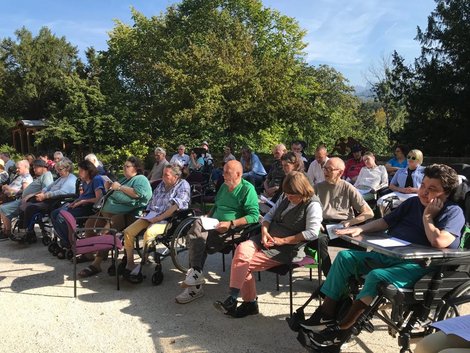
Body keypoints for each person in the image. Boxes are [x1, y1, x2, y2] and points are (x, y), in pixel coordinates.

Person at [300, 164, 465, 350]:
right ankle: (326, 314)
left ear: (446, 193)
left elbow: (439, 241)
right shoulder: (412, 203)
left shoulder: (453, 212)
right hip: (392, 255)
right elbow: (385, 221)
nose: (424, 192)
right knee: (345, 257)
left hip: (420, 267)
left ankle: (343, 330)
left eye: (432, 189)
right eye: (423, 186)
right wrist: (360, 228)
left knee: (377, 276)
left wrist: (428, 216)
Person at [214, 171, 322, 318]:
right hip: (267, 238)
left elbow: (312, 233)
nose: (289, 198)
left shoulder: (312, 204)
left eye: (292, 196)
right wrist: (264, 231)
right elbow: (269, 215)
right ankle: (236, 300)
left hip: (286, 248)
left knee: (243, 264)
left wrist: (283, 241)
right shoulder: (285, 196)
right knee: (242, 249)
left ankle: (246, 302)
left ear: (302, 191)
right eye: (287, 195)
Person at [175, 160, 259, 304]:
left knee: (197, 241)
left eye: (227, 172)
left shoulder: (247, 189)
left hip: (232, 230)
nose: (223, 175)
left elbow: (254, 216)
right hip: (213, 225)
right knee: (197, 226)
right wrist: (208, 215)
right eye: (223, 171)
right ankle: (196, 276)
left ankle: (195, 283)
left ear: (238, 174)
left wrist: (230, 223)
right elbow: (216, 206)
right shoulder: (224, 187)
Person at [78, 156, 152, 278]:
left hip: (126, 215)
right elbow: (116, 193)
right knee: (89, 225)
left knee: (106, 232)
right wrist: (109, 188)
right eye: (124, 166)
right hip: (108, 211)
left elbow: (140, 194)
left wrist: (119, 188)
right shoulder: (124, 179)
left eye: (127, 166)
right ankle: (90, 253)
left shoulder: (140, 179)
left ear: (136, 168)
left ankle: (96, 263)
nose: (124, 168)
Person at [121, 164, 190, 282]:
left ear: (176, 176)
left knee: (149, 233)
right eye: (163, 174)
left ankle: (142, 265)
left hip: (168, 219)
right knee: (128, 231)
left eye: (166, 175)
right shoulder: (162, 185)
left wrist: (157, 219)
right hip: (152, 215)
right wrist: (147, 215)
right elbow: (152, 201)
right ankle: (130, 263)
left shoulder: (183, 185)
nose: (162, 177)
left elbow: (175, 207)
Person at [311, 157, 374, 275]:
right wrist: (315, 221)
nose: (325, 172)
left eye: (329, 169)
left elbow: (369, 213)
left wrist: (350, 222)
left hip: (343, 226)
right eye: (325, 169)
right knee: (320, 240)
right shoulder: (317, 188)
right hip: (323, 226)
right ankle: (330, 276)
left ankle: (355, 277)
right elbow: (306, 210)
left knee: (361, 244)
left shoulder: (348, 187)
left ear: (340, 172)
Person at [50, 160, 105, 258]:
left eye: (81, 170)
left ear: (88, 170)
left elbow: (99, 198)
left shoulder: (96, 179)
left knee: (61, 217)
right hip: (81, 205)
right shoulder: (84, 181)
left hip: (90, 208)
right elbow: (83, 195)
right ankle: (67, 242)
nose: (79, 173)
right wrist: (75, 202)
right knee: (54, 213)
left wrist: (82, 202)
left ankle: (69, 244)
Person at [13, 158, 77, 241]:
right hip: (48, 198)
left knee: (30, 208)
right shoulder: (61, 178)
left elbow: (63, 192)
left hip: (55, 201)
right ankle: (24, 230)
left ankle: (27, 231)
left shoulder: (71, 179)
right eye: (57, 170)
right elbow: (48, 187)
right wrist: (42, 193)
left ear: (68, 168)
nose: (58, 172)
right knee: (24, 205)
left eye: (60, 169)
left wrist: (46, 195)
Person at [0, 159, 52, 240]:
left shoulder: (47, 175)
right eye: (33, 168)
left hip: (31, 201)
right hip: (24, 200)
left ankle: (7, 232)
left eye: (35, 168)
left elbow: (46, 189)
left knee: (3, 208)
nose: (34, 169)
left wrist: (31, 195)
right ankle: (6, 231)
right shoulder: (40, 177)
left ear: (43, 167)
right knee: (3, 208)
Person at [377, 149, 425, 215]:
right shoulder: (400, 171)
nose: (410, 159)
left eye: (413, 158)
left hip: (416, 195)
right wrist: (401, 189)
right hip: (401, 194)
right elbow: (391, 185)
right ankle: (388, 221)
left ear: (419, 160)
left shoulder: (424, 171)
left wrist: (415, 190)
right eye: (408, 157)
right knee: (382, 202)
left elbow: (428, 187)